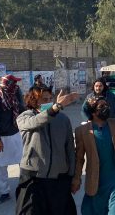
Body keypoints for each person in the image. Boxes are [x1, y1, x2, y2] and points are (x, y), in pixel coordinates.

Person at [15, 86, 79, 215]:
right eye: (44, 99)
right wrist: (55, 108)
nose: (49, 102)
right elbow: (36, 122)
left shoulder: (63, 119)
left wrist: (73, 176)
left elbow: (70, 150)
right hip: (33, 178)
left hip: (58, 180)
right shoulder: (25, 117)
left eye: (50, 99)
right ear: (34, 100)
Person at [73, 98, 115, 215]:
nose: (106, 108)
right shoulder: (82, 131)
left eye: (106, 105)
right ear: (92, 112)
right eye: (101, 107)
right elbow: (79, 158)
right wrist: (76, 178)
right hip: (96, 181)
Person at [0, 74, 25, 203]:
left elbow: (22, 109)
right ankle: (4, 192)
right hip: (1, 138)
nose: (16, 86)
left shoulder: (14, 96)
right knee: (1, 167)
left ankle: (23, 188)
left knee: (23, 162)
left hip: (15, 134)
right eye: (14, 84)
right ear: (8, 85)